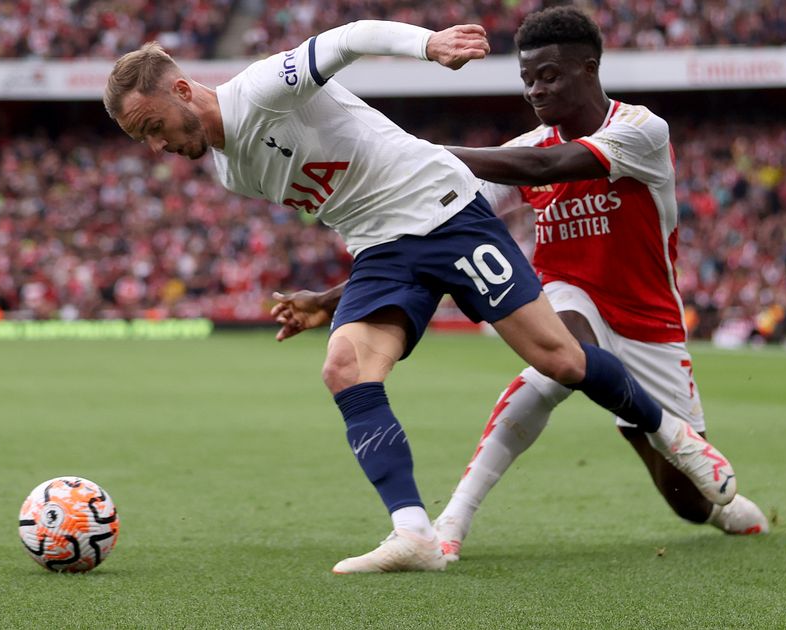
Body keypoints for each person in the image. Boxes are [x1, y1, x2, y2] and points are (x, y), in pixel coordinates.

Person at [104, 19, 737, 573]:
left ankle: (676, 437)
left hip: (444, 212)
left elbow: (349, 39)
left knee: (561, 361)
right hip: (380, 248)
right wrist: (328, 300)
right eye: (144, 141)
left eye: (153, 127)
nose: (157, 148)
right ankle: (414, 533)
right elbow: (351, 199)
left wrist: (428, 45)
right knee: (345, 368)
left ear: (182, 91)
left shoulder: (263, 90)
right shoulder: (229, 168)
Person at [270, 7, 764, 564]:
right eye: (527, 77)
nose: (534, 89)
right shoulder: (524, 146)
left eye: (549, 75)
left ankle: (712, 494)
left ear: (589, 68)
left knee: (690, 506)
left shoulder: (641, 130)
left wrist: (418, 155)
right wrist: (334, 297)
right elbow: (432, 238)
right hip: (566, 293)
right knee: (556, 360)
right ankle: (451, 520)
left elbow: (545, 167)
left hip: (650, 322)